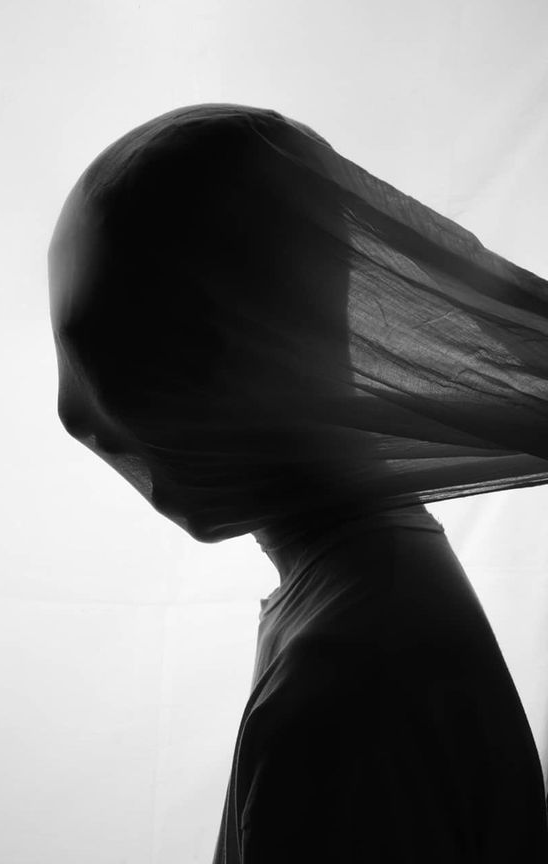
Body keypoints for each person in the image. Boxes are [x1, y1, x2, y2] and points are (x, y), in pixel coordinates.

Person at [48, 102, 548, 861]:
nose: (78, 417)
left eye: (110, 354)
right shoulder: (367, 580)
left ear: (223, 358)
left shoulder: (344, 689)